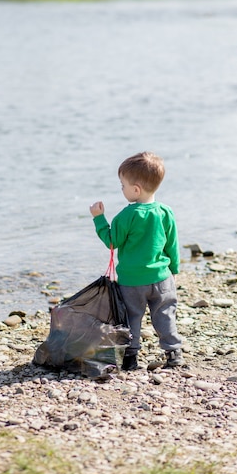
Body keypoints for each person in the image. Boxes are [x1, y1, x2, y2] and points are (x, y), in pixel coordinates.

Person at [89, 151, 183, 371]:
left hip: (132, 282)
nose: (121, 189)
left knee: (132, 318)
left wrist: (98, 219)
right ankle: (174, 353)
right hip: (162, 278)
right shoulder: (165, 212)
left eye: (122, 185)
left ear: (136, 189)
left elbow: (112, 242)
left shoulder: (126, 216)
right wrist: (175, 269)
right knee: (165, 315)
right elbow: (172, 244)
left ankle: (131, 358)